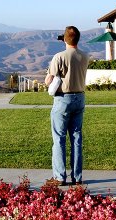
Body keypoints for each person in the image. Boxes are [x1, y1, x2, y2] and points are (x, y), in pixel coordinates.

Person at [45, 26, 89, 186]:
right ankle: (77, 177)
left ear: (64, 39)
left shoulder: (59, 57)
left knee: (59, 138)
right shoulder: (84, 56)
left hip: (63, 99)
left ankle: (59, 176)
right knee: (76, 138)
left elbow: (49, 80)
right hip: (80, 98)